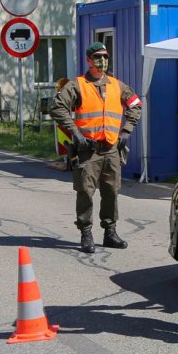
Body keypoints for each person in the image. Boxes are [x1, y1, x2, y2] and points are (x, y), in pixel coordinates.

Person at [50, 42, 142, 254]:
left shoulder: (118, 86)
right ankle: (86, 233)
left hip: (111, 149)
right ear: (88, 60)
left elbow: (135, 105)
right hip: (88, 150)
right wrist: (75, 133)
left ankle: (110, 232)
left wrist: (126, 131)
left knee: (111, 191)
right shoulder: (77, 85)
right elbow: (57, 107)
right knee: (85, 192)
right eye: (97, 57)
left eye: (105, 57)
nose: (102, 61)